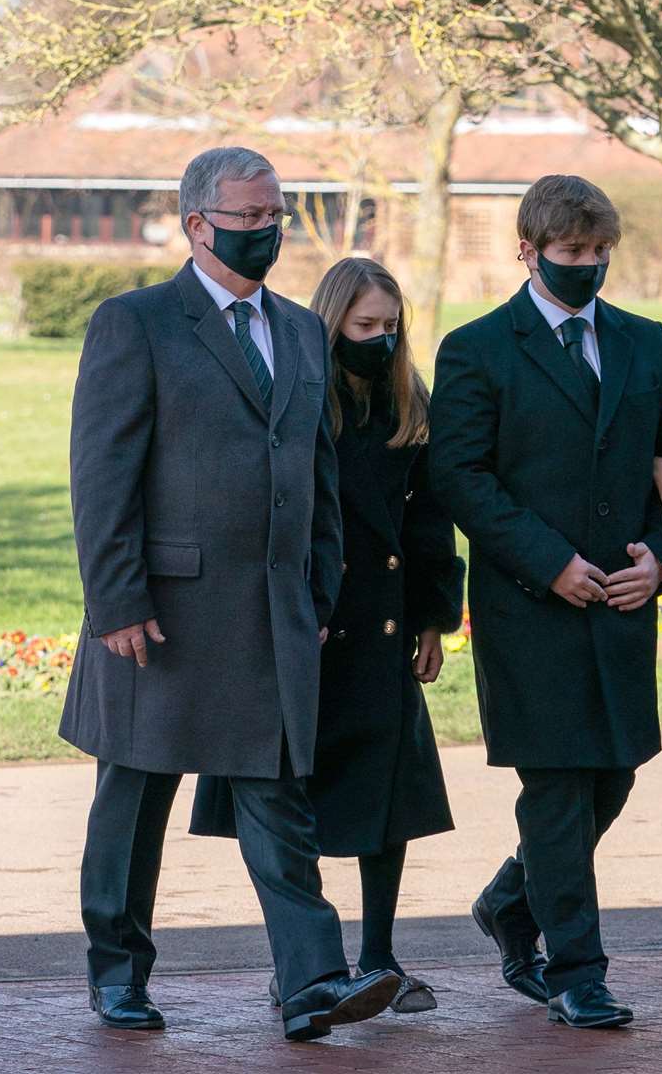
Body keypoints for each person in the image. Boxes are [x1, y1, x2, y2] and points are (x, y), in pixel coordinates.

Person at [59, 146, 400, 1042]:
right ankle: (118, 973)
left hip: (276, 618)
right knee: (133, 805)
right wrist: (117, 601)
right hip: (159, 618)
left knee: (280, 805)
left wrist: (318, 591)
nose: (265, 233)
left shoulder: (297, 330)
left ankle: (311, 983)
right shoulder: (135, 323)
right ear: (197, 223)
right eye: (247, 219)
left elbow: (318, 476)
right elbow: (102, 476)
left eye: (274, 216)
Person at [429, 174, 662, 1029]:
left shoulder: (644, 341)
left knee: (613, 777)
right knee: (555, 788)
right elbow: (460, 479)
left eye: (598, 253)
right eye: (571, 253)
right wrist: (549, 564)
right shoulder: (476, 348)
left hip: (622, 604)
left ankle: (513, 897)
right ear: (528, 250)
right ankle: (576, 970)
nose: (588, 266)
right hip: (529, 606)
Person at [190, 258, 464, 1016]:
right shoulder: (299, 389)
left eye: (390, 326)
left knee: (388, 795)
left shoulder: (410, 400)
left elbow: (429, 513)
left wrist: (435, 615)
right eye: (364, 325)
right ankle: (304, 963)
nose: (379, 338)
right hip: (305, 619)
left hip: (383, 620)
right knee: (291, 796)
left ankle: (379, 956)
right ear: (332, 319)